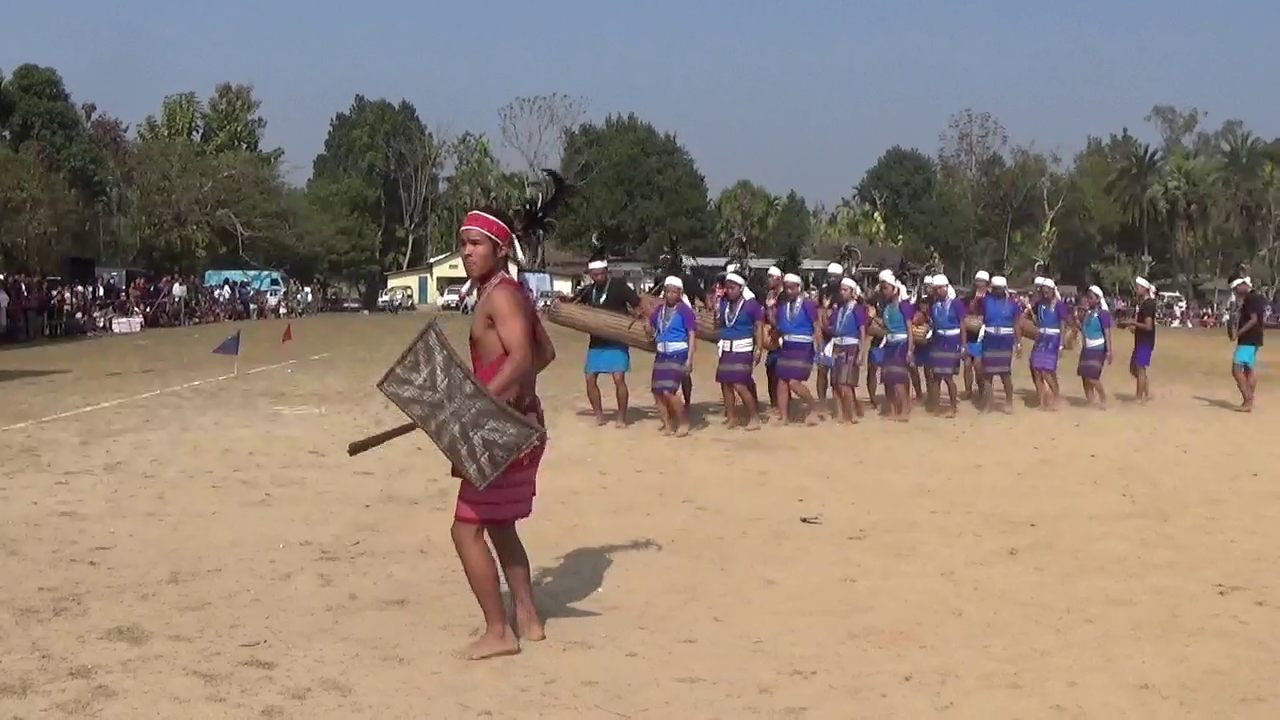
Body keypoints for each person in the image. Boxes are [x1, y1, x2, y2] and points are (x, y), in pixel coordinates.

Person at [453, 206, 557, 660]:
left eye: (476, 244)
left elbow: (523, 357)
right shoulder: (509, 292)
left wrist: (483, 402)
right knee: (498, 523)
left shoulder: (500, 296)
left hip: (502, 431)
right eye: (463, 243)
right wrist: (514, 394)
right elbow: (545, 352)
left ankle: (499, 631)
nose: (466, 252)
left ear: (499, 249)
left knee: (465, 531)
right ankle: (528, 618)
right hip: (518, 423)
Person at [574, 258, 643, 426]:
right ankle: (599, 415)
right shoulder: (588, 290)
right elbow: (572, 302)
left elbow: (637, 304)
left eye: (602, 274)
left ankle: (621, 417)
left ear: (607, 272)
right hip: (597, 342)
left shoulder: (619, 286)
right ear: (591, 275)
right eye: (595, 275)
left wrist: (639, 314)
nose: (599, 277)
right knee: (590, 378)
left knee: (618, 378)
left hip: (617, 340)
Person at [647, 276, 698, 434]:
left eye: (674, 292)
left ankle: (683, 423)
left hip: (678, 353)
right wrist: (648, 328)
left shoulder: (685, 311)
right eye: (668, 291)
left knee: (669, 391)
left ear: (680, 293)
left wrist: (689, 359)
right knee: (657, 391)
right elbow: (651, 325)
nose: (670, 295)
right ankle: (667, 425)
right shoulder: (659, 310)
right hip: (661, 353)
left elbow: (691, 335)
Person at [715, 272, 765, 429]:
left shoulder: (751, 304)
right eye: (727, 288)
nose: (729, 291)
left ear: (741, 288)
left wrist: (759, 349)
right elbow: (718, 323)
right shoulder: (724, 303)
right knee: (726, 385)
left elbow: (759, 327)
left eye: (733, 288)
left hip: (743, 349)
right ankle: (732, 417)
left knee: (739, 384)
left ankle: (754, 417)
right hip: (726, 348)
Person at [773, 273, 822, 425]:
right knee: (781, 381)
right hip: (787, 346)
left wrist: (820, 348)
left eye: (792, 288)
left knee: (794, 382)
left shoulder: (807, 304)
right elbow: (778, 325)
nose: (789, 291)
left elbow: (816, 326)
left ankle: (813, 408)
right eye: (786, 288)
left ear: (799, 288)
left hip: (803, 346)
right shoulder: (783, 305)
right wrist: (770, 310)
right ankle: (784, 417)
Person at [877, 270, 916, 421]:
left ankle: (904, 410)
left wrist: (910, 349)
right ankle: (893, 409)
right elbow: (886, 327)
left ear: (894, 289)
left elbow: (909, 328)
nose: (883, 291)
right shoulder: (886, 307)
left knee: (898, 378)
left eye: (885, 288)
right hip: (889, 344)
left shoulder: (904, 306)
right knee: (888, 378)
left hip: (901, 344)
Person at [978, 275, 1020, 412]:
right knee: (987, 374)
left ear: (1005, 288)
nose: (998, 291)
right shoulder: (985, 301)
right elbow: (975, 309)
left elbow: (1016, 324)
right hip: (990, 338)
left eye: (1000, 288)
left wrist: (1019, 343)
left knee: (1005, 373)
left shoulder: (1013, 304)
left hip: (1005, 340)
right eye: (995, 288)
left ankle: (1009, 402)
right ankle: (989, 403)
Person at [828, 277, 868, 422]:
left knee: (846, 383)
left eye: (845, 290)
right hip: (837, 345)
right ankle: (840, 413)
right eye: (841, 290)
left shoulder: (857, 308)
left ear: (852, 292)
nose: (842, 292)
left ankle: (850, 414)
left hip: (851, 346)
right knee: (835, 383)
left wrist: (861, 352)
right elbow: (831, 327)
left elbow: (862, 330)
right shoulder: (839, 309)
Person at [1028, 278, 1071, 410]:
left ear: (1053, 291)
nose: (1045, 295)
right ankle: (1042, 402)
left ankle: (1055, 397)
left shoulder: (1059, 305)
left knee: (1046, 371)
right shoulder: (1040, 304)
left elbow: (1063, 326)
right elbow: (1036, 321)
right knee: (1036, 370)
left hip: (1052, 339)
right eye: (1043, 292)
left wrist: (1061, 344)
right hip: (1040, 338)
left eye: (1047, 292)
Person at [928, 275, 966, 417]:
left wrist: (963, 346)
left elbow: (962, 325)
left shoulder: (956, 304)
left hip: (952, 341)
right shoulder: (934, 306)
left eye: (939, 288)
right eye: (935, 289)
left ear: (946, 287)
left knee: (948, 377)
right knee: (936, 377)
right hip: (938, 341)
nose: (937, 291)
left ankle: (953, 407)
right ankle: (936, 407)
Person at [1228, 276, 1265, 411]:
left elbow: (1253, 320)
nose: (1235, 291)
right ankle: (1250, 399)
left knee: (1237, 369)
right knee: (1249, 369)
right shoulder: (1255, 297)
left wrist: (1237, 333)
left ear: (1242, 285)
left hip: (1248, 338)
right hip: (1255, 338)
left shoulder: (1250, 298)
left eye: (1236, 288)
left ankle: (1247, 400)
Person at [1119, 276, 1157, 402]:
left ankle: (1139, 397)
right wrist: (1130, 326)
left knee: (1140, 369)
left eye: (1138, 287)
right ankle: (1146, 394)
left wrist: (1132, 323)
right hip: (1141, 340)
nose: (1136, 290)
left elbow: (1148, 326)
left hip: (1145, 341)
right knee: (1134, 369)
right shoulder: (1143, 303)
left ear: (1144, 289)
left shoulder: (1148, 304)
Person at [1078, 285, 1114, 408]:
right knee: (1084, 376)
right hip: (1086, 348)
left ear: (1098, 299)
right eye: (1088, 297)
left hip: (1098, 348)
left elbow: (1107, 332)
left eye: (1091, 298)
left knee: (1092, 377)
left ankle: (1103, 399)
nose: (1089, 300)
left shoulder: (1103, 314)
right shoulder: (1087, 313)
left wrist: (1109, 351)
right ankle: (1091, 401)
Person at [815, 263, 844, 406]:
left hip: (840, 337)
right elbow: (819, 316)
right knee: (821, 370)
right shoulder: (824, 291)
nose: (832, 279)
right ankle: (822, 403)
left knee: (836, 373)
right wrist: (820, 342)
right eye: (830, 276)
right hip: (825, 336)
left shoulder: (844, 292)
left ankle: (838, 404)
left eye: (835, 277)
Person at [962, 270, 989, 402]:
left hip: (982, 336)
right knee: (967, 364)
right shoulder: (969, 297)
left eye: (982, 281)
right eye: (978, 281)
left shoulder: (989, 298)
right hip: (969, 334)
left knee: (978, 366)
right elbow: (964, 310)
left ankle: (981, 389)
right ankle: (968, 390)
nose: (979, 283)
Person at [761, 266, 785, 416]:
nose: (768, 280)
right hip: (774, 336)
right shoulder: (771, 294)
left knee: (780, 372)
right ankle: (775, 403)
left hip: (782, 336)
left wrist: (771, 313)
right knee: (771, 370)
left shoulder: (783, 295)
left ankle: (781, 404)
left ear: (778, 279)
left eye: (771, 277)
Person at [910, 275, 935, 408]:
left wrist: (927, 317)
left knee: (928, 371)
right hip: (917, 343)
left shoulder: (934, 306)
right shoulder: (916, 307)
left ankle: (931, 395)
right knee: (912, 367)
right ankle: (919, 394)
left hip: (929, 343)